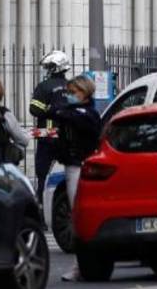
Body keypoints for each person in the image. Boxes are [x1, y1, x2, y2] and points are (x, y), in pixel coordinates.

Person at [48, 75, 102, 282]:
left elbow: (70, 117)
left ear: (85, 92)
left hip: (80, 166)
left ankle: (82, 265)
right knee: (76, 215)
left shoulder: (87, 114)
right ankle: (81, 264)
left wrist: (63, 110)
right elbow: (52, 112)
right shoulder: (75, 112)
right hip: (72, 164)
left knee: (79, 216)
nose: (70, 96)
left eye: (74, 93)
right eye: (69, 92)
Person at [28, 50, 71, 202]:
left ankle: (41, 202)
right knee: (67, 173)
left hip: (47, 137)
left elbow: (34, 109)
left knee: (43, 173)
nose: (48, 70)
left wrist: (49, 110)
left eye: (50, 67)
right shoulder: (72, 86)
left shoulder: (44, 87)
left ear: (56, 67)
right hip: (67, 137)